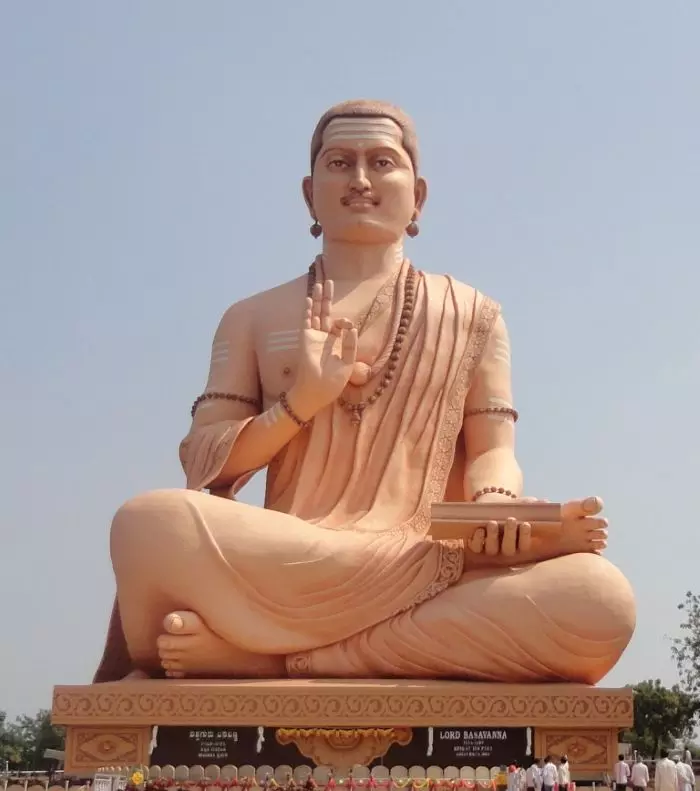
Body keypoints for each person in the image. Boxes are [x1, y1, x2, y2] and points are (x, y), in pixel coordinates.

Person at [92, 99, 637, 683]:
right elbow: (205, 466)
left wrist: (493, 507)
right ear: (309, 193)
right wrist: (301, 402)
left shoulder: (473, 314)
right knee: (148, 521)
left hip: (424, 555)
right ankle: (333, 646)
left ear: (418, 195)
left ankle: (273, 659)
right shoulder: (252, 317)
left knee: (600, 599)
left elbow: (492, 448)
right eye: (339, 162)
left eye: (381, 162)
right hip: (291, 559)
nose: (359, 180)